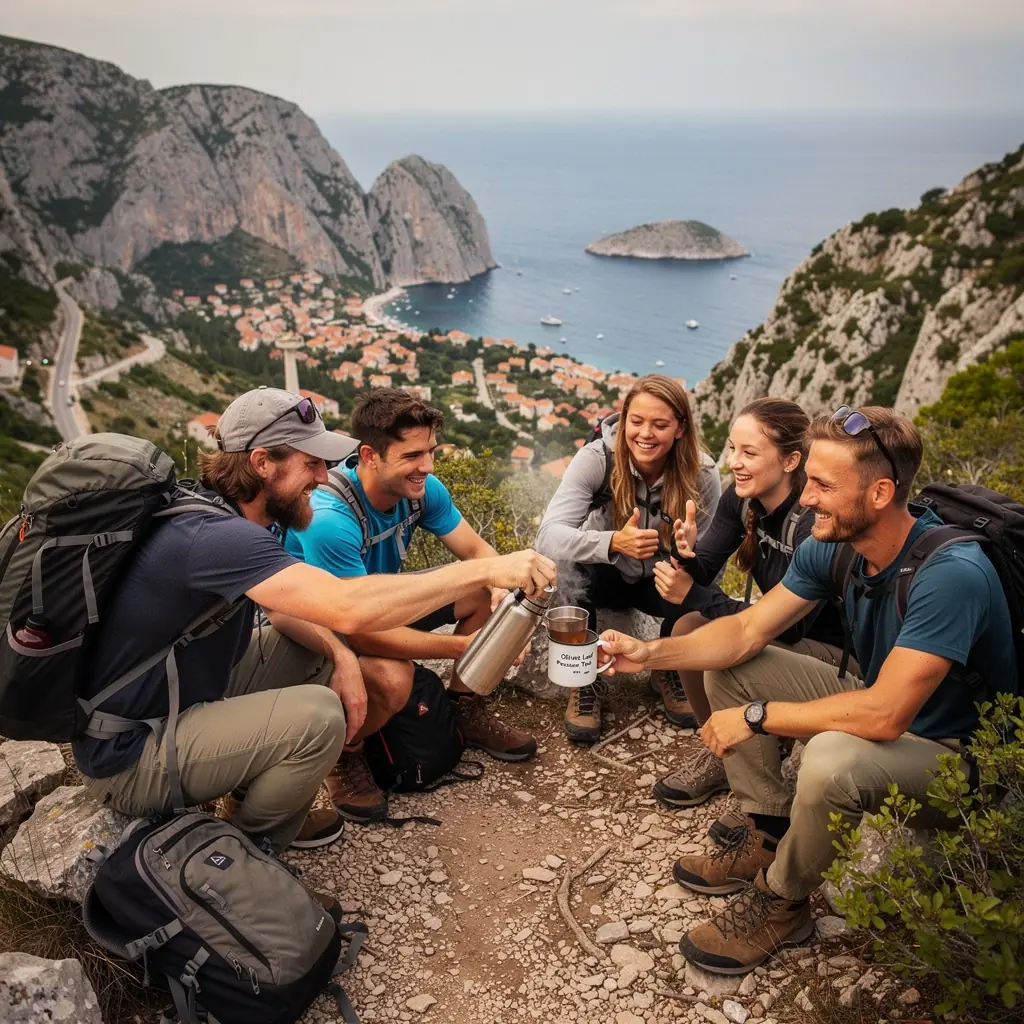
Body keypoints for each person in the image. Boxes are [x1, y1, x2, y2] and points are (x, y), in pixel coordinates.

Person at [599, 406, 1016, 975]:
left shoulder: (951, 576)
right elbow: (746, 630)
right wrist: (650, 654)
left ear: (879, 493)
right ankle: (768, 833)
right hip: (880, 698)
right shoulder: (836, 542)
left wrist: (755, 717)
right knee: (735, 666)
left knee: (829, 757)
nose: (809, 498)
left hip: (957, 757)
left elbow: (887, 715)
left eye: (823, 484)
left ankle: (784, 904)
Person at [73, 387, 556, 854]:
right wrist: (485, 570)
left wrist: (341, 655)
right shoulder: (215, 537)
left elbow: (285, 613)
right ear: (262, 463)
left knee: (313, 650)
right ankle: (249, 853)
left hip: (177, 701)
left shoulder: (235, 517)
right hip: (131, 754)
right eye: (311, 463)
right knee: (321, 718)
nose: (324, 478)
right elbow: (348, 606)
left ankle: (245, 795)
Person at [285, 387, 537, 824]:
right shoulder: (330, 517)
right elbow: (359, 627)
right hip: (319, 628)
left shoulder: (421, 490)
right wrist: (466, 648)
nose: (428, 466)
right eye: (413, 455)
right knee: (393, 677)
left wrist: (500, 590)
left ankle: (464, 706)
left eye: (431, 451)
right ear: (370, 455)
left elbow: (478, 555)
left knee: (478, 592)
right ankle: (347, 754)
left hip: (377, 602)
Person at [649, 398, 849, 830]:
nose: (735, 463)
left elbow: (791, 627)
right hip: (784, 633)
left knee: (722, 647)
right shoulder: (744, 501)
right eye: (732, 450)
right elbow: (704, 568)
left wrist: (694, 593)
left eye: (749, 453)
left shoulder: (811, 521)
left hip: (834, 656)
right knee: (687, 627)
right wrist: (683, 555)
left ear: (792, 460)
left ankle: (762, 794)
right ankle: (724, 753)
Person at [535, 374, 721, 743]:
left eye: (660, 424)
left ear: (680, 428)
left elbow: (714, 558)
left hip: (661, 580)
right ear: (624, 420)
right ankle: (582, 677)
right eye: (636, 422)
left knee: (698, 581)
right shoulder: (596, 460)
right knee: (570, 566)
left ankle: (668, 664)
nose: (645, 434)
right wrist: (613, 542)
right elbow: (548, 535)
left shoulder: (702, 475)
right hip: (605, 574)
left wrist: (689, 556)